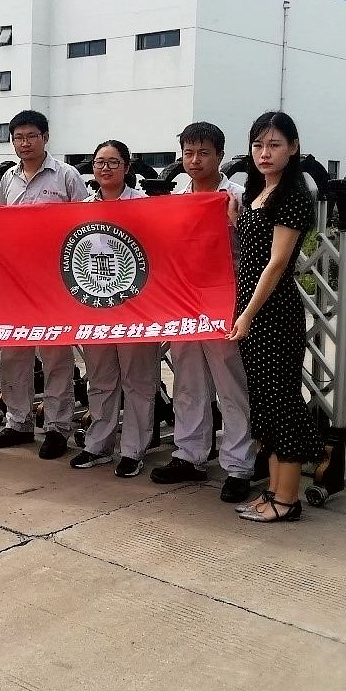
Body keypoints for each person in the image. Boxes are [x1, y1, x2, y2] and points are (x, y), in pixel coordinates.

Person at [150, 121, 258, 503]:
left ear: (220, 156)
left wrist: (236, 222)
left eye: (204, 153)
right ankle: (189, 454)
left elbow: (256, 249)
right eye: (189, 153)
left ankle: (239, 465)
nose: (195, 160)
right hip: (183, 301)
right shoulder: (176, 197)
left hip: (224, 302)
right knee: (188, 380)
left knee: (230, 383)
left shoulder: (238, 197)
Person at [228, 111, 318, 523]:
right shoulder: (259, 191)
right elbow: (252, 249)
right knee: (265, 404)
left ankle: (287, 499)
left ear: (293, 148)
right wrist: (237, 219)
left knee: (282, 403)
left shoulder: (293, 195)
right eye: (258, 145)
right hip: (253, 311)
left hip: (274, 313)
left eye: (274, 145)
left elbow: (277, 263)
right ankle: (272, 491)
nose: (264, 153)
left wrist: (247, 314)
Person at [0, 109, 90, 459]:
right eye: (18, 137)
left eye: (31, 136)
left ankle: (57, 427)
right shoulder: (8, 179)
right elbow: (0, 227)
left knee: (55, 356)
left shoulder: (67, 176)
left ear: (45, 137)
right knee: (14, 354)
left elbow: (85, 224)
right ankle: (18, 422)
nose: (25, 143)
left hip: (56, 282)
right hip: (17, 282)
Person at [69, 140, 161, 477]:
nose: (105, 168)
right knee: (100, 378)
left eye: (113, 162)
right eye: (99, 162)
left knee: (138, 380)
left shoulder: (144, 205)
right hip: (95, 306)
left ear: (126, 167)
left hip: (136, 307)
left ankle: (134, 449)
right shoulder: (80, 208)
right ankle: (98, 444)